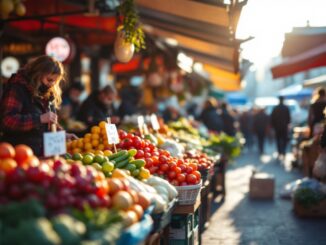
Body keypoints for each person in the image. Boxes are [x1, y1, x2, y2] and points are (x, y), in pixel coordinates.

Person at [0, 55, 75, 156]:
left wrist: (61, 135)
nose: (52, 84)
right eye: (49, 80)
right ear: (37, 74)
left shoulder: (47, 93)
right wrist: (38, 119)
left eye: (55, 81)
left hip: (40, 156)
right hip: (17, 155)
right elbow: (7, 121)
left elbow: (48, 123)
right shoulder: (17, 88)